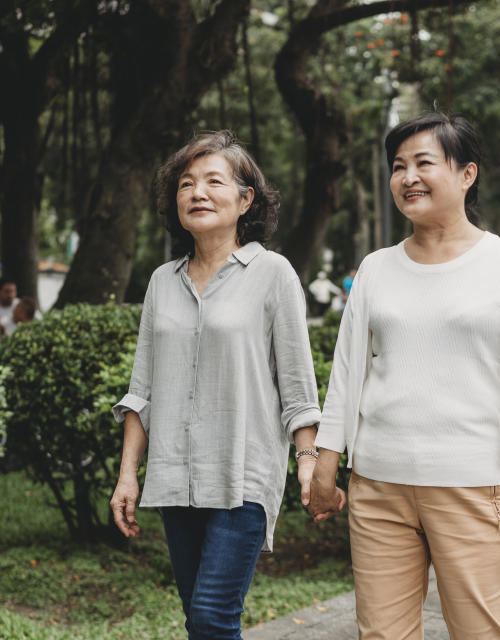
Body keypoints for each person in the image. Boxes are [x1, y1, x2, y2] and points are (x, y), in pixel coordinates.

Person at [308, 112, 500, 640]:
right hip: (379, 485)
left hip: (475, 485)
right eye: (398, 166)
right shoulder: (376, 268)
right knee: (381, 635)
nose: (408, 178)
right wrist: (324, 465)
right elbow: (348, 374)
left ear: (467, 174)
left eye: (424, 163)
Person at [108, 130, 326, 639]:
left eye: (213, 181)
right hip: (176, 476)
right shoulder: (163, 280)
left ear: (245, 198)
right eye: (186, 184)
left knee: (211, 615)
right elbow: (143, 389)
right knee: (200, 621)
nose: (197, 193)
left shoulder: (273, 273)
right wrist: (127, 476)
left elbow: (298, 388)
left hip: (242, 474)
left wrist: (308, 463)